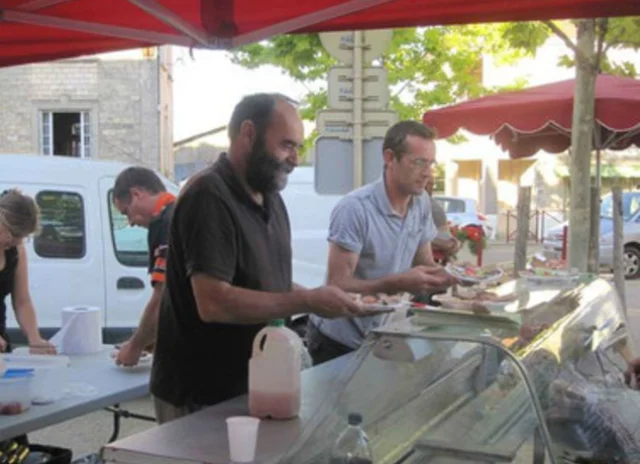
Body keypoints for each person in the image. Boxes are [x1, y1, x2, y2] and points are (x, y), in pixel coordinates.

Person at [150, 93, 364, 424]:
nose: (295, 158)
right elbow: (213, 302)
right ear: (248, 134)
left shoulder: (272, 200)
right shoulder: (208, 194)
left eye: (298, 148)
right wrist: (307, 300)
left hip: (253, 387)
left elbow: (270, 284)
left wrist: (328, 298)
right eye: (287, 145)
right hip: (199, 396)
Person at [307, 121, 457, 365]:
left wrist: (454, 278)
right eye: (419, 162)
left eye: (430, 163)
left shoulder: (420, 204)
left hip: (384, 336)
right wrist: (396, 282)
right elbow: (337, 285)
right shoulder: (354, 209)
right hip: (337, 341)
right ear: (390, 158)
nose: (428, 172)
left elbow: (425, 264)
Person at [111, 167, 176, 367]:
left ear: (136, 194)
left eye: (126, 212)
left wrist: (135, 347)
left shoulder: (168, 222)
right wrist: (146, 339)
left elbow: (163, 298)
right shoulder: (176, 212)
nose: (130, 223)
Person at [0, 189, 55, 355]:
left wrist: (34, 339)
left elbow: (22, 301)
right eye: (15, 234)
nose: (18, 241)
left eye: (23, 237)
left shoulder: (16, 250)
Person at [425, 172, 461, 264]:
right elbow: (415, 238)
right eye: (428, 183)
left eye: (432, 184)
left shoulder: (429, 202)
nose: (430, 187)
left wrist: (453, 243)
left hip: (441, 252)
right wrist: (446, 244)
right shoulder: (414, 204)